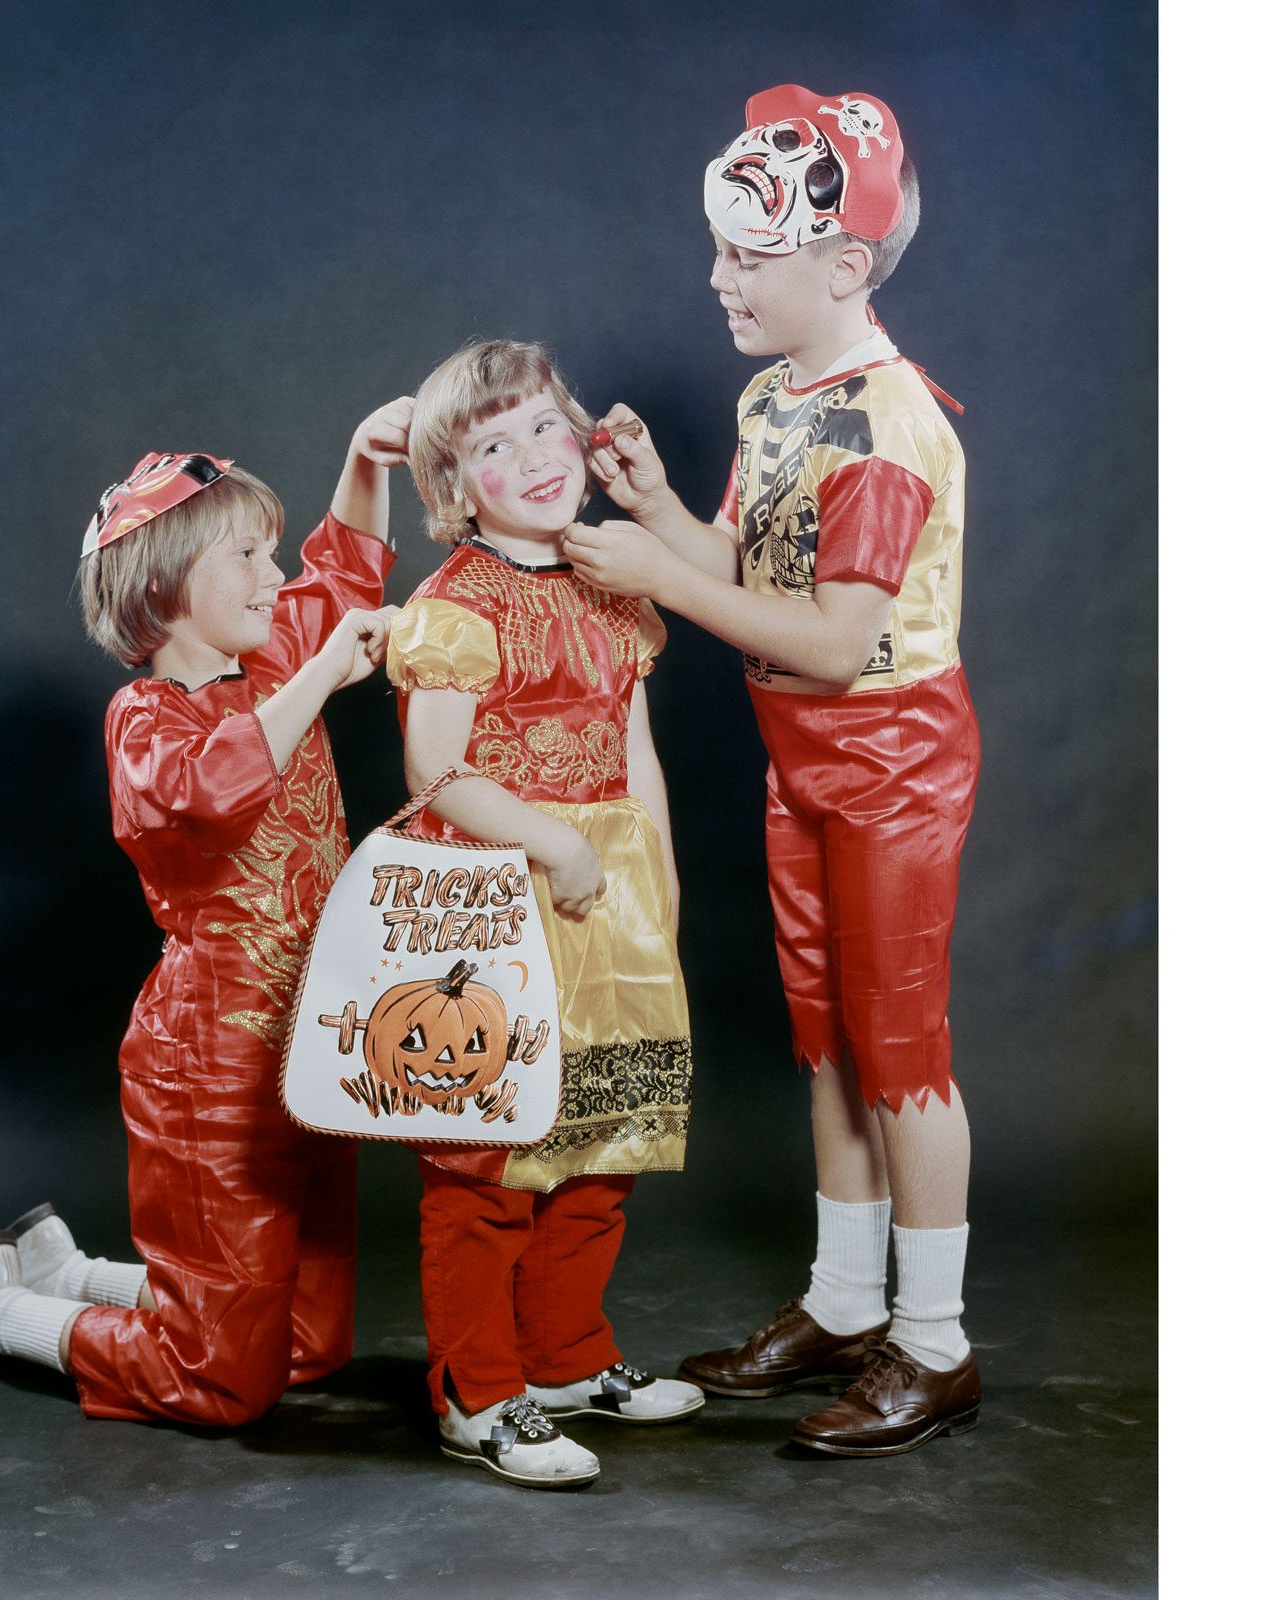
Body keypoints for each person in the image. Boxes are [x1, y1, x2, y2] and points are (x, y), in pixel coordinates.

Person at [563, 86, 983, 1457]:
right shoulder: (778, 399)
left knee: (903, 1054)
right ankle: (849, 1303)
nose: (718, 275)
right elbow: (753, 567)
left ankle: (934, 1342)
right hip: (799, 757)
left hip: (891, 759)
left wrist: (656, 585)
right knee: (827, 1041)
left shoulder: (891, 425)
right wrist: (658, 510)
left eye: (747, 254)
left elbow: (835, 638)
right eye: (723, 249)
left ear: (842, 266)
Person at [0, 401, 410, 1427]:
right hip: (209, 1055)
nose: (278, 578)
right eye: (250, 556)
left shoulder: (269, 666)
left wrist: (362, 453)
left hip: (316, 1033)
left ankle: (73, 1270)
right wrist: (322, 671)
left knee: (309, 1343)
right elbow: (217, 783)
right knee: (225, 1380)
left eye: (273, 554)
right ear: (169, 583)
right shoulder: (143, 720)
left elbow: (347, 573)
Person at [384, 339, 703, 1488]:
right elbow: (437, 770)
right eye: (492, 442)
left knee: (601, 1145)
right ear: (455, 488)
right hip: (495, 905)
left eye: (544, 427)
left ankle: (565, 1353)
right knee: (489, 1163)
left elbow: (633, 746)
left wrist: (656, 870)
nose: (530, 454)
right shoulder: (455, 605)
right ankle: (480, 1387)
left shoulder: (614, 587)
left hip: (602, 902)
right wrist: (555, 839)